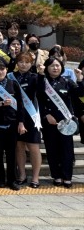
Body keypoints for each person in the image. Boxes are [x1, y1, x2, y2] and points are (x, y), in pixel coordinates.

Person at [37, 57, 84, 188]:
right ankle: (56, 175)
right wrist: (46, 115)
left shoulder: (67, 81)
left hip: (66, 122)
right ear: (47, 67)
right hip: (49, 121)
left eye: (57, 65)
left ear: (62, 67)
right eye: (52, 65)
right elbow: (38, 99)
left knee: (67, 150)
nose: (55, 68)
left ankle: (67, 176)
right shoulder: (42, 81)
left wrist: (80, 79)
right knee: (52, 149)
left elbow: (80, 94)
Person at [0, 58, 21, 190]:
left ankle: (12, 180)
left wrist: (21, 122)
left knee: (12, 154)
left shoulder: (13, 84)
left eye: (2, 69)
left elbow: (20, 105)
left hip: (12, 125)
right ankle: (0, 179)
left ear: (7, 70)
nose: (0, 72)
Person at [13, 52, 42, 188]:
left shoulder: (35, 77)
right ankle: (22, 175)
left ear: (31, 64)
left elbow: (41, 91)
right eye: (21, 62)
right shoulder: (11, 77)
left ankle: (35, 178)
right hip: (16, 116)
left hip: (31, 116)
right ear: (16, 63)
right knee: (19, 146)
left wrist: (41, 74)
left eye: (27, 62)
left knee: (33, 146)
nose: (23, 64)